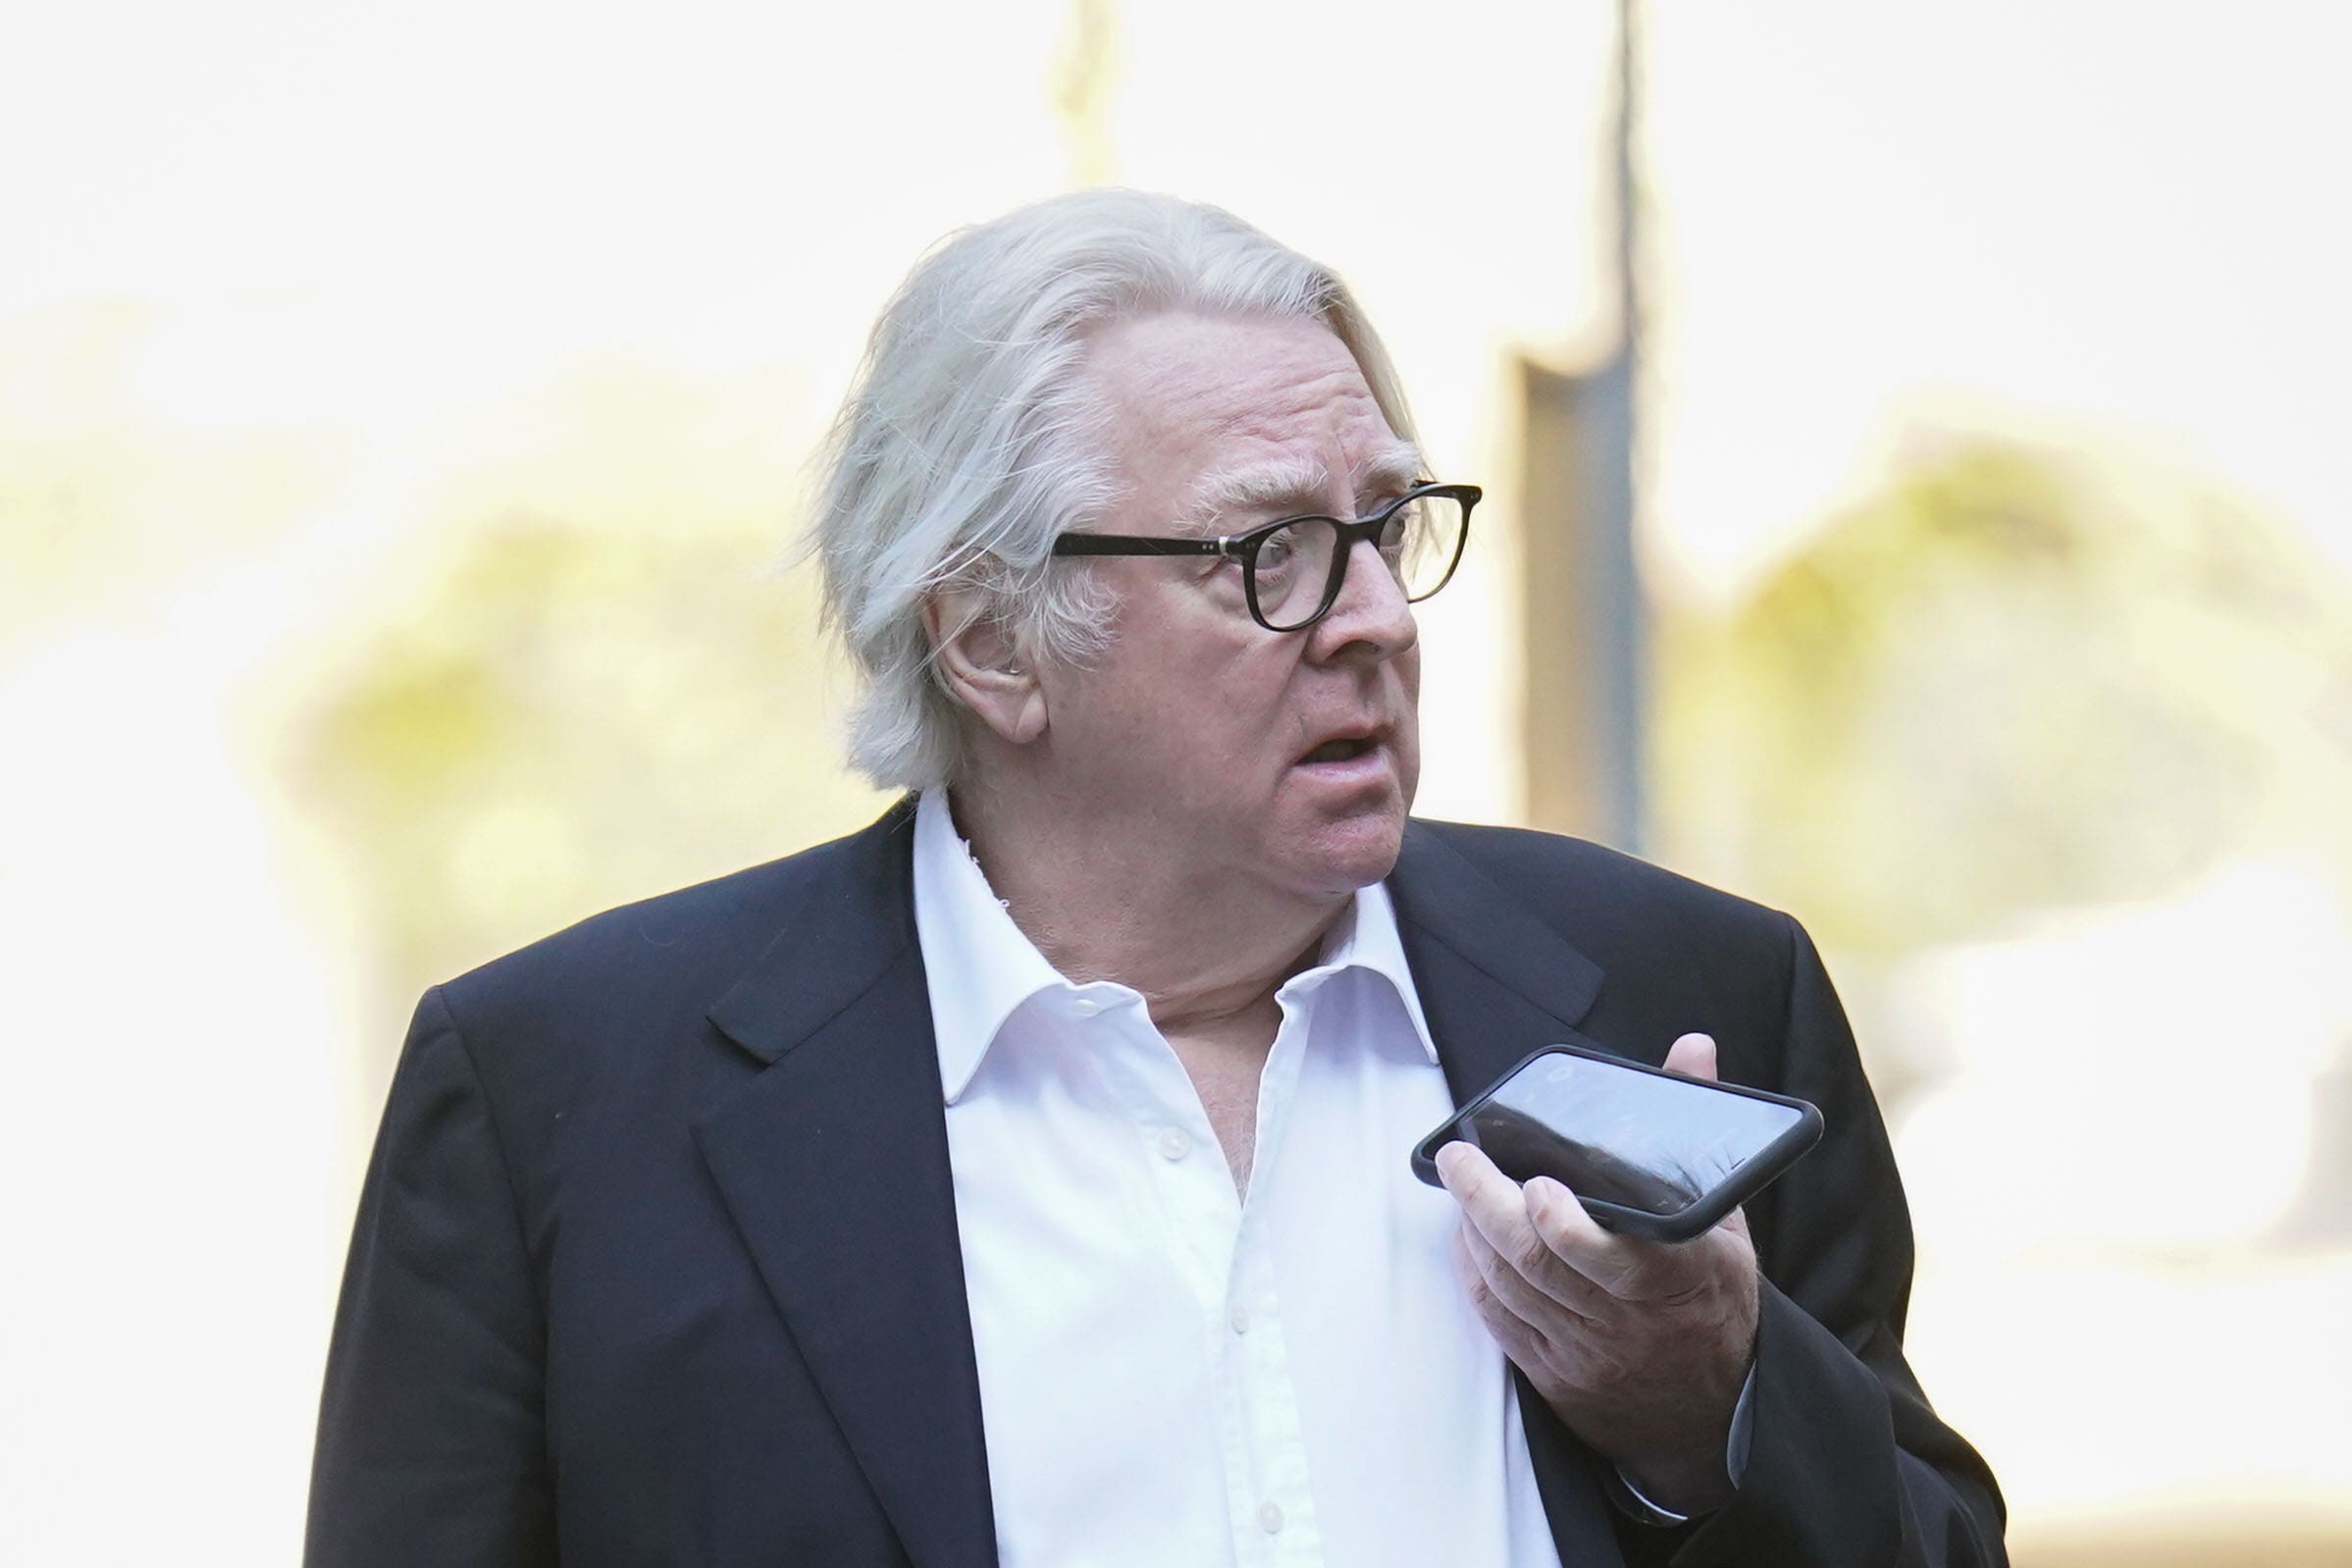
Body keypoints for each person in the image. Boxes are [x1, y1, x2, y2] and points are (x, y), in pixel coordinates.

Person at [306, 189, 2006, 1567]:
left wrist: (1712, 1401)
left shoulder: (1686, 994)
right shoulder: (567, 1101)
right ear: (988, 639)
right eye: (1266, 551)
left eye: (1386, 527)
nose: (1372, 620)